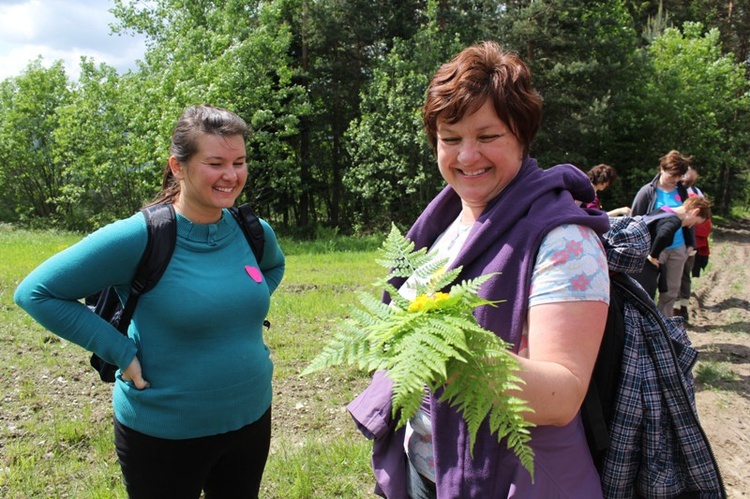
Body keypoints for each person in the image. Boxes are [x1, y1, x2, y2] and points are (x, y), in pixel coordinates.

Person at [347, 41, 611, 498]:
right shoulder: (446, 220)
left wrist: (446, 351)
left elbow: (564, 395)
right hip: (427, 467)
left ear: (522, 137)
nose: (467, 156)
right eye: (451, 139)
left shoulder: (565, 242)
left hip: (512, 479)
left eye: (488, 137)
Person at [14, 104, 285, 498]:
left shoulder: (252, 231)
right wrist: (121, 351)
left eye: (239, 161)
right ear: (177, 166)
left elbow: (273, 269)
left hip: (251, 417)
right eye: (215, 163)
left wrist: (236, 310)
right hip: (164, 433)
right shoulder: (139, 237)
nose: (231, 175)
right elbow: (36, 292)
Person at [630, 150, 695, 317]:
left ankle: (664, 328)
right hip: (653, 250)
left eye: (678, 176)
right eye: (672, 175)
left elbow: (689, 217)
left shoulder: (681, 191)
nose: (674, 179)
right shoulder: (647, 192)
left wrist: (690, 244)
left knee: (671, 291)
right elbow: (635, 221)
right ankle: (646, 324)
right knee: (647, 289)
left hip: (677, 247)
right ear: (662, 168)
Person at [629, 196, 712, 300]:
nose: (691, 226)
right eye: (695, 222)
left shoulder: (663, 210)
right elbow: (664, 234)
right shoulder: (674, 220)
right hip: (641, 264)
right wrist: (653, 256)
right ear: (695, 212)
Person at [676, 166, 709, 319]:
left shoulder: (688, 194)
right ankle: (680, 309)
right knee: (681, 277)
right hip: (684, 241)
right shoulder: (695, 192)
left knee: (679, 277)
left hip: (685, 241)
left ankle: (679, 309)